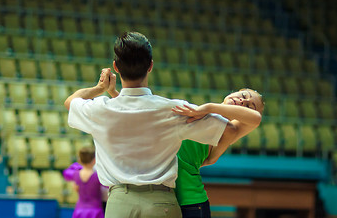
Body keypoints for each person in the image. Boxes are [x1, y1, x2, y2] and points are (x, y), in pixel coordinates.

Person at [64, 32, 241, 218]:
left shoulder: (100, 109)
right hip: (162, 201)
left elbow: (71, 101)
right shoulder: (174, 109)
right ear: (150, 66)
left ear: (116, 67)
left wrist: (100, 88)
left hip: (119, 203)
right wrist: (213, 155)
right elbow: (229, 129)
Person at [172, 88, 264, 218]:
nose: (243, 101)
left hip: (190, 200)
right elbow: (210, 160)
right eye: (243, 95)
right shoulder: (195, 111)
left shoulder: (229, 130)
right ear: (234, 92)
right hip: (165, 196)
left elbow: (256, 118)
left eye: (249, 106)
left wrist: (208, 108)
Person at [63, 146, 105, 218]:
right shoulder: (98, 176)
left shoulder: (75, 174)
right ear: (94, 160)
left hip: (79, 210)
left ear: (80, 160)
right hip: (94, 210)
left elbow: (75, 187)